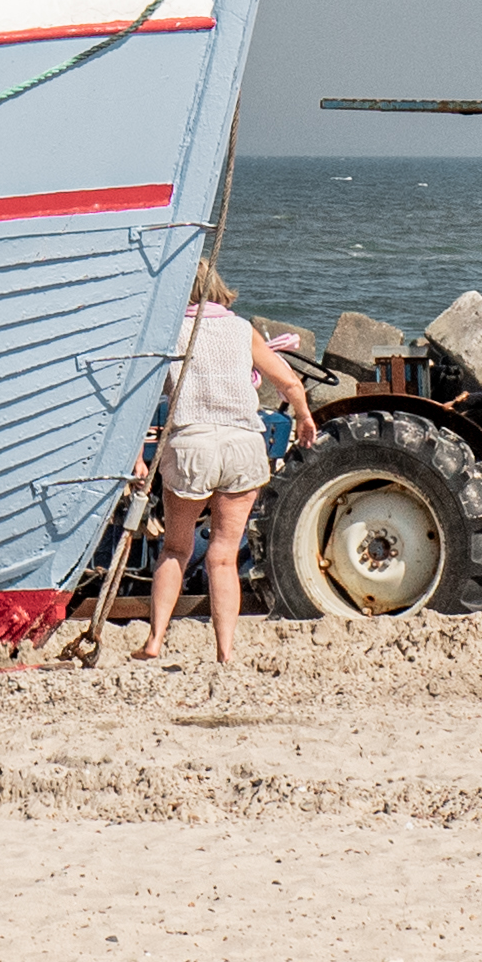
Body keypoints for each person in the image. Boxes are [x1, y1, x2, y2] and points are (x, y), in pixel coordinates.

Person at [131, 265, 310, 666]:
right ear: (218, 289)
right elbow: (289, 382)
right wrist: (304, 416)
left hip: (192, 445)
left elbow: (139, 401)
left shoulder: (172, 334)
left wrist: (132, 457)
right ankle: (225, 652)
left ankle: (155, 641)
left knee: (176, 548)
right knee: (225, 555)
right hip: (243, 445)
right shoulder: (242, 329)